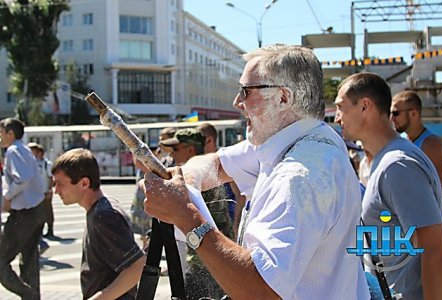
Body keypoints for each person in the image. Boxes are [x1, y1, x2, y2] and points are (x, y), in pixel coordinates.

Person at [142, 44, 369, 299]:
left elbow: (262, 290)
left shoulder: (299, 176)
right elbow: (215, 163)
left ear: (284, 97)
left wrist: (186, 215)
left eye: (245, 91)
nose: (237, 102)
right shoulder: (301, 140)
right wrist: (186, 184)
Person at [334, 72, 442, 299]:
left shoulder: (397, 165)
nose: (337, 117)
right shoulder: (386, 160)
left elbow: (435, 252)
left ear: (365, 106)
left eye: (341, 107)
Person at [52, 148, 145, 299]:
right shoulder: (99, 210)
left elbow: (137, 266)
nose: (56, 191)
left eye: (60, 184)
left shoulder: (104, 215)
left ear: (84, 183)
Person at [160, 128, 234, 300]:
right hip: (205, 260)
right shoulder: (203, 176)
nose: (172, 155)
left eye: (176, 150)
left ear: (191, 150)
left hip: (208, 261)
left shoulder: (198, 181)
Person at [0, 118, 46, 299]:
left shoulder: (13, 150)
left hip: (24, 213)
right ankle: (32, 295)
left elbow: (22, 178)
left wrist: (7, 197)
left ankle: (29, 294)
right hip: (36, 210)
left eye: (1, 133)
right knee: (29, 260)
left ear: (10, 134)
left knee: (1, 261)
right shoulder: (24, 149)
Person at [196, 123, 247, 237]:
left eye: (198, 141)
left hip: (227, 226)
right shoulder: (199, 163)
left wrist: (236, 224)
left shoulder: (225, 162)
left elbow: (240, 195)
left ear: (209, 140)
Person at [391, 90, 442, 191]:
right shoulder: (399, 140)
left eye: (396, 113)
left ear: (413, 113)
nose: (392, 118)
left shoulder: (432, 144)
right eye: (390, 113)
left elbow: (436, 192)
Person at [27, 142, 55, 238]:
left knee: (47, 211)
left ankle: (50, 229)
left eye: (32, 151)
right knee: (38, 213)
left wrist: (49, 190)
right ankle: (39, 231)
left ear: (39, 152)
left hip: (45, 192)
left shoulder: (47, 164)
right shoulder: (31, 163)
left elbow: (51, 178)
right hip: (35, 193)